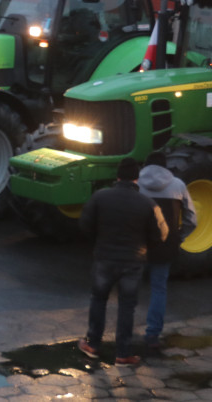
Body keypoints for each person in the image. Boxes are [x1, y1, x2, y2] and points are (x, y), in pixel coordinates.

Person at [78, 158, 168, 366]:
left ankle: (93, 344)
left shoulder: (100, 197)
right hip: (133, 262)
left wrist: (99, 241)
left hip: (104, 258)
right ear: (137, 179)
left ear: (117, 176)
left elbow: (85, 224)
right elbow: (161, 234)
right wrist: (145, 247)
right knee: (127, 306)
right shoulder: (147, 203)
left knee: (98, 300)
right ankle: (123, 354)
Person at [138, 151, 197, 353]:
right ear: (166, 167)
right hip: (166, 245)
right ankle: (152, 335)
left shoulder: (136, 185)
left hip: (138, 245)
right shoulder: (178, 185)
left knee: (128, 288)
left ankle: (125, 333)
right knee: (158, 289)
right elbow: (192, 218)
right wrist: (179, 237)